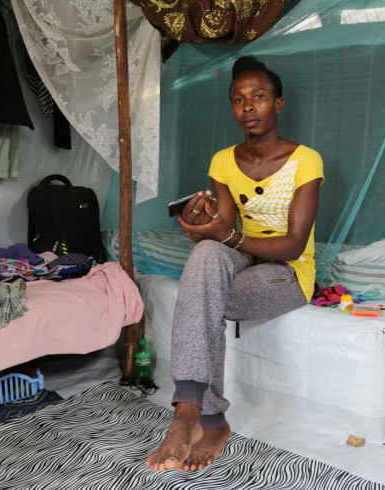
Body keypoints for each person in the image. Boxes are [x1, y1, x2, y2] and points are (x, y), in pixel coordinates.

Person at [145, 55, 324, 472]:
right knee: (205, 254)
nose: (248, 106)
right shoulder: (223, 161)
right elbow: (223, 227)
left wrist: (227, 236)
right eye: (238, 99)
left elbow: (295, 244)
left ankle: (209, 420)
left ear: (277, 104)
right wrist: (201, 224)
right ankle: (189, 411)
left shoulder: (306, 161)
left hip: (288, 273)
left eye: (259, 96)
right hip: (242, 258)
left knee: (207, 286)